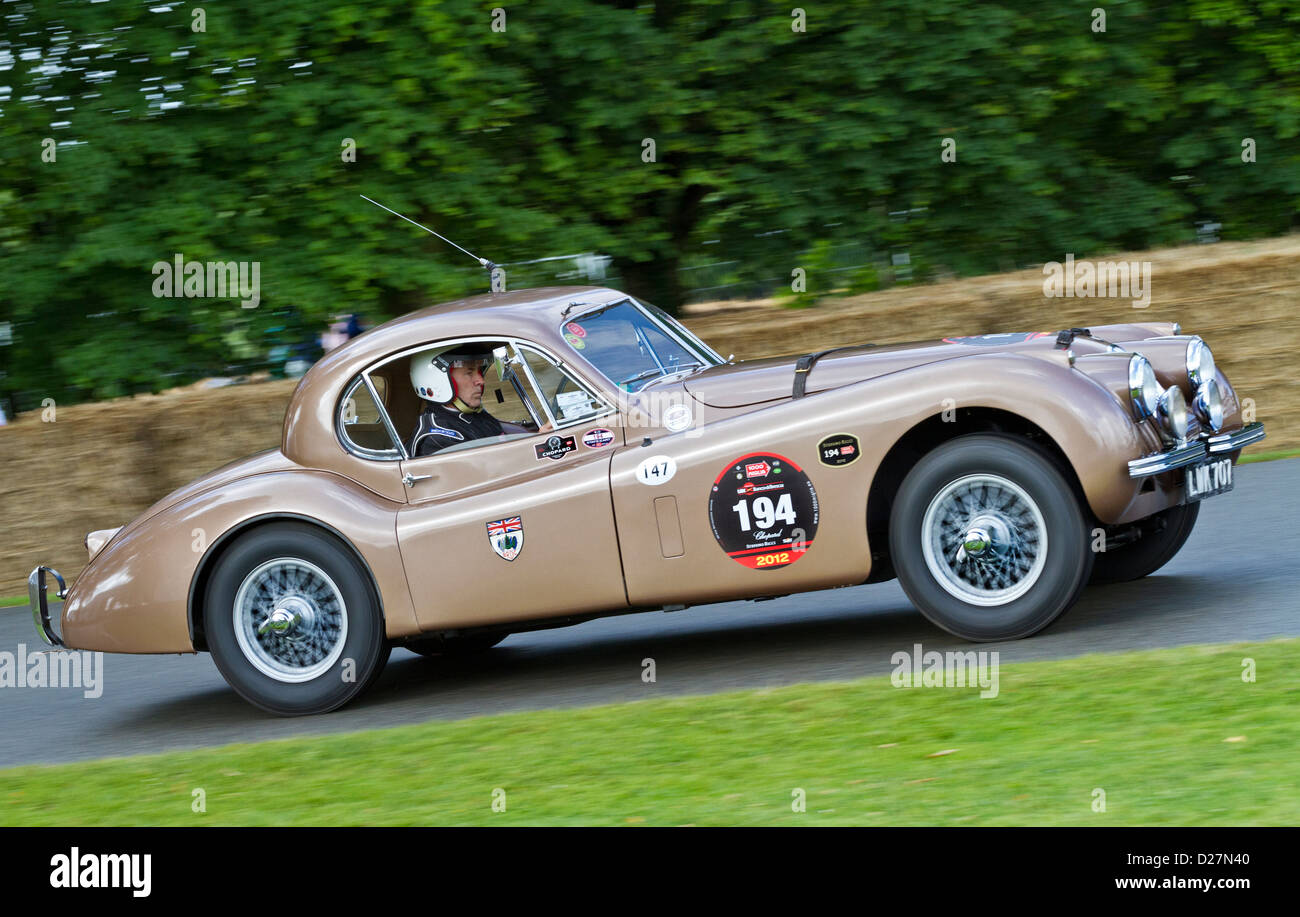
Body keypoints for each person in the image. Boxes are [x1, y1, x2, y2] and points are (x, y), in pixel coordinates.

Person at [409, 344, 505, 456]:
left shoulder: (475, 415)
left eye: (479, 371)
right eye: (469, 373)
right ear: (438, 381)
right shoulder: (439, 439)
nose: (481, 381)